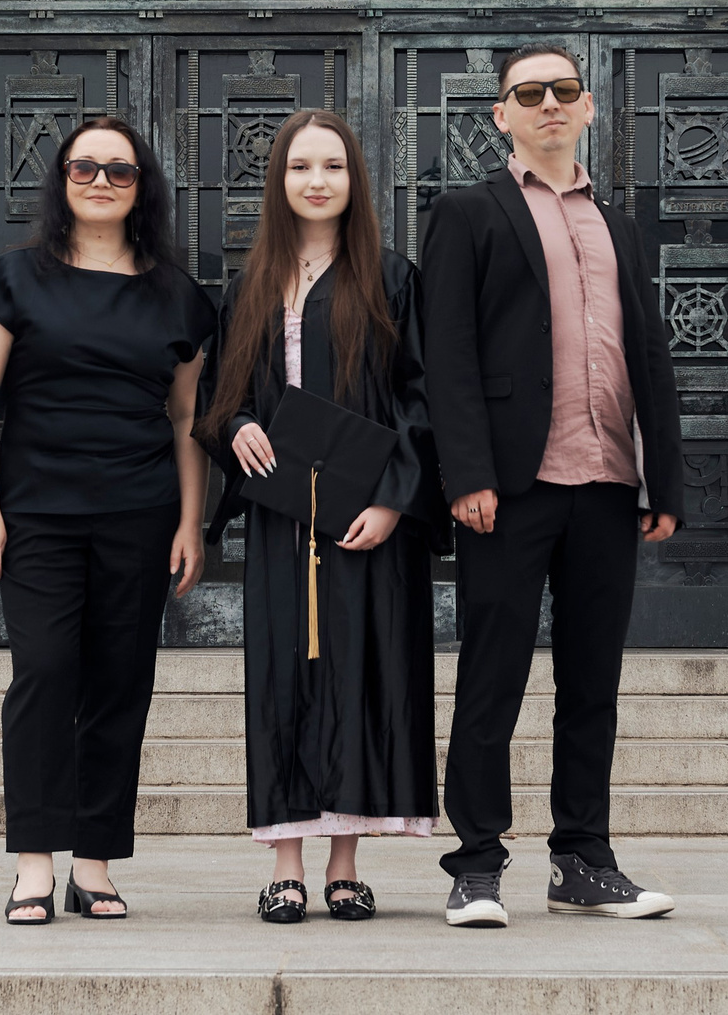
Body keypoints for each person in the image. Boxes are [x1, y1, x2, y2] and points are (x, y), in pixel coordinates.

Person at [419, 44, 686, 926]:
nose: (548, 105)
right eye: (528, 93)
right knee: (491, 677)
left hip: (609, 480)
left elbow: (647, 352)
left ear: (588, 107)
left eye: (563, 91)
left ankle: (582, 858)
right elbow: (447, 351)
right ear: (500, 114)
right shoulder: (468, 211)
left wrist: (664, 477)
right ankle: (478, 863)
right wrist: (465, 473)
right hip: (512, 484)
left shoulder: (620, 223)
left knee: (592, 683)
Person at [0, 114, 214, 925]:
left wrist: (191, 524)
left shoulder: (178, 295)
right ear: (61, 179)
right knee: (43, 677)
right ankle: (35, 861)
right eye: (85, 167)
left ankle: (94, 862)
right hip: (38, 519)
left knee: (119, 686)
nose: (101, 181)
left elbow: (185, 420)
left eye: (120, 170)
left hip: (139, 517)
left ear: (143, 188)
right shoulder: (14, 278)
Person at [199, 111, 445, 924]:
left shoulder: (392, 278)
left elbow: (420, 401)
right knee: (283, 679)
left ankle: (345, 863)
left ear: (353, 179)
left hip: (367, 520)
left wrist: (391, 497)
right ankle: (286, 865)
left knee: (364, 676)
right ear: (279, 179)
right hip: (281, 521)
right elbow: (216, 401)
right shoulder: (251, 285)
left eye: (333, 165)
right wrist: (235, 428)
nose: (316, 179)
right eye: (301, 165)